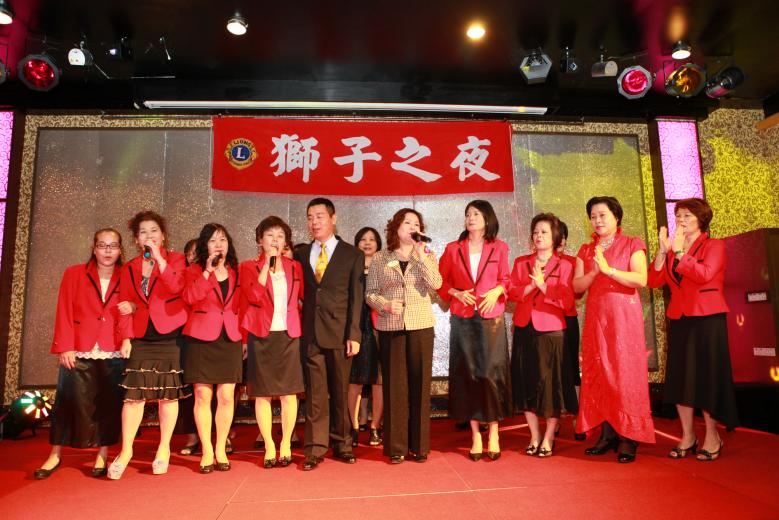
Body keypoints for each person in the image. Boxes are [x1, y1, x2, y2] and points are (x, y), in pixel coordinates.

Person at [35, 229, 132, 479]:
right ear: (94, 248)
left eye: (113, 246)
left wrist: (127, 336)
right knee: (67, 402)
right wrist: (64, 346)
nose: (108, 251)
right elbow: (64, 309)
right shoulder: (74, 273)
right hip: (78, 346)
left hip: (113, 347)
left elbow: (131, 310)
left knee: (108, 403)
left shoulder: (127, 275)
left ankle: (102, 453)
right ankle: (55, 454)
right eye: (102, 245)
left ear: (120, 250)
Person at [648, 197, 738, 461]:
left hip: (707, 319)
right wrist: (663, 252)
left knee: (707, 377)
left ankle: (712, 436)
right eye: (678, 216)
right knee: (680, 379)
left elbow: (705, 274)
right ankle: (688, 436)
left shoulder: (714, 245)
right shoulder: (672, 248)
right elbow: (653, 280)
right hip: (680, 318)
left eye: (687, 216)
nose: (681, 220)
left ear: (701, 220)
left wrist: (680, 254)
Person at [573, 196, 655, 463]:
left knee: (624, 373)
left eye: (602, 215)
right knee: (599, 371)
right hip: (597, 317)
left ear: (616, 217)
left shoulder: (632, 243)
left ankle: (628, 436)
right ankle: (607, 433)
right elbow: (576, 287)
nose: (597, 220)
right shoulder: (586, 250)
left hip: (624, 318)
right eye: (593, 216)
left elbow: (641, 279)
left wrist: (609, 270)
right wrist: (594, 272)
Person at [109, 211, 189, 479]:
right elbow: (125, 304)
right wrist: (126, 337)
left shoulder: (176, 259)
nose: (149, 236)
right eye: (143, 232)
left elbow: (176, 287)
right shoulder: (129, 267)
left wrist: (159, 259)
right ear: (136, 239)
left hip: (170, 334)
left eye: (154, 231)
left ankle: (163, 448)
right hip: (141, 335)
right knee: (133, 397)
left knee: (168, 395)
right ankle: (126, 450)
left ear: (163, 236)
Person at [366, 208, 442, 464]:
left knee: (420, 385)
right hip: (391, 327)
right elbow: (370, 293)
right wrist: (385, 304)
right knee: (395, 386)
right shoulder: (380, 257)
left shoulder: (427, 255)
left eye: (416, 224)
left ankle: (419, 446)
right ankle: (396, 447)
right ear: (396, 227)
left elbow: (437, 284)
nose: (412, 227)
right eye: (407, 222)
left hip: (421, 325)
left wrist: (421, 256)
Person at [293, 198, 364, 471]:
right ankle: (315, 448)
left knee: (340, 390)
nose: (314, 222)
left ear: (333, 218)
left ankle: (343, 444)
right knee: (315, 394)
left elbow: (356, 298)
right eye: (310, 217)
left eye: (320, 216)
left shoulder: (351, 254)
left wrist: (354, 334)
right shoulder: (300, 254)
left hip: (340, 333)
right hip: (310, 333)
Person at [438, 200, 511, 461]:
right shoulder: (452, 249)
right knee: (468, 374)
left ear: (487, 218)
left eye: (476, 214)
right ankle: (476, 435)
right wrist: (455, 292)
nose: (470, 218)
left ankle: (494, 432)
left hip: (491, 318)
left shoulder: (499, 247)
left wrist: (497, 291)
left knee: (490, 374)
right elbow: (440, 281)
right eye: (468, 214)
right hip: (463, 317)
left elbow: (506, 279)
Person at [509, 213, 578, 458]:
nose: (539, 236)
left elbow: (568, 301)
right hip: (524, 326)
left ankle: (549, 437)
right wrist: (531, 285)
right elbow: (511, 292)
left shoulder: (565, 265)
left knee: (551, 385)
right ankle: (534, 435)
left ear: (555, 237)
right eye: (536, 232)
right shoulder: (521, 263)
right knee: (525, 381)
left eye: (544, 232)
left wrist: (544, 286)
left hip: (552, 330)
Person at [241, 216, 305, 468]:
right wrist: (266, 267)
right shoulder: (249, 267)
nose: (275, 240)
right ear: (260, 240)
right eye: (270, 235)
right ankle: (269, 445)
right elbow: (253, 297)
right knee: (263, 394)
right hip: (261, 335)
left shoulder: (294, 267)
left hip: (289, 334)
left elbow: (304, 298)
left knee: (289, 393)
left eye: (280, 236)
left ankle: (286, 443)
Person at [181, 223, 242, 473]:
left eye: (223, 240)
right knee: (202, 396)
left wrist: (244, 339)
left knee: (226, 397)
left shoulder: (237, 271)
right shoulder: (193, 271)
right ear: (205, 245)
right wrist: (207, 272)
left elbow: (243, 306)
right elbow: (190, 298)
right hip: (201, 338)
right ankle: (206, 449)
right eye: (213, 240)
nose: (219, 245)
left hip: (230, 338)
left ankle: (220, 447)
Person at [348, 227, 384, 447]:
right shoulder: (350, 268)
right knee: (354, 380)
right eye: (363, 239)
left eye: (372, 239)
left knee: (379, 381)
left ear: (379, 244)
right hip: (356, 329)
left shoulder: (385, 267)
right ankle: (352, 426)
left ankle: (375, 427)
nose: (367, 243)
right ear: (356, 244)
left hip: (380, 327)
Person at [558, 221, 586, 442]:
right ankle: (555, 416)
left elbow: (578, 294)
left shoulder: (573, 262)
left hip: (567, 319)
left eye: (561, 235)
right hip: (543, 321)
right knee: (551, 370)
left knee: (572, 368)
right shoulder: (536, 262)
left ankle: (578, 416)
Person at [177, 238, 202, 456]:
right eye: (190, 253)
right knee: (188, 389)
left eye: (197, 252)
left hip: (209, 336)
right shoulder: (183, 275)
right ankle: (192, 435)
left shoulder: (214, 273)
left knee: (218, 391)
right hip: (184, 336)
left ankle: (221, 435)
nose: (193, 257)